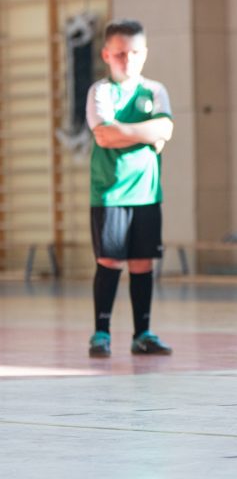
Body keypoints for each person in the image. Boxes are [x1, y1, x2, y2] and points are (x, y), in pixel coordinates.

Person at [85, 19, 174, 357]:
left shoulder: (155, 90)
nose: (128, 59)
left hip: (146, 193)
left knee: (142, 263)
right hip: (109, 193)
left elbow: (166, 127)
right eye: (120, 53)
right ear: (107, 54)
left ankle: (144, 333)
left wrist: (125, 130)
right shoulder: (101, 91)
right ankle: (101, 333)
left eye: (135, 52)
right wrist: (148, 133)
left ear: (144, 53)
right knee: (109, 260)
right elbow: (104, 135)